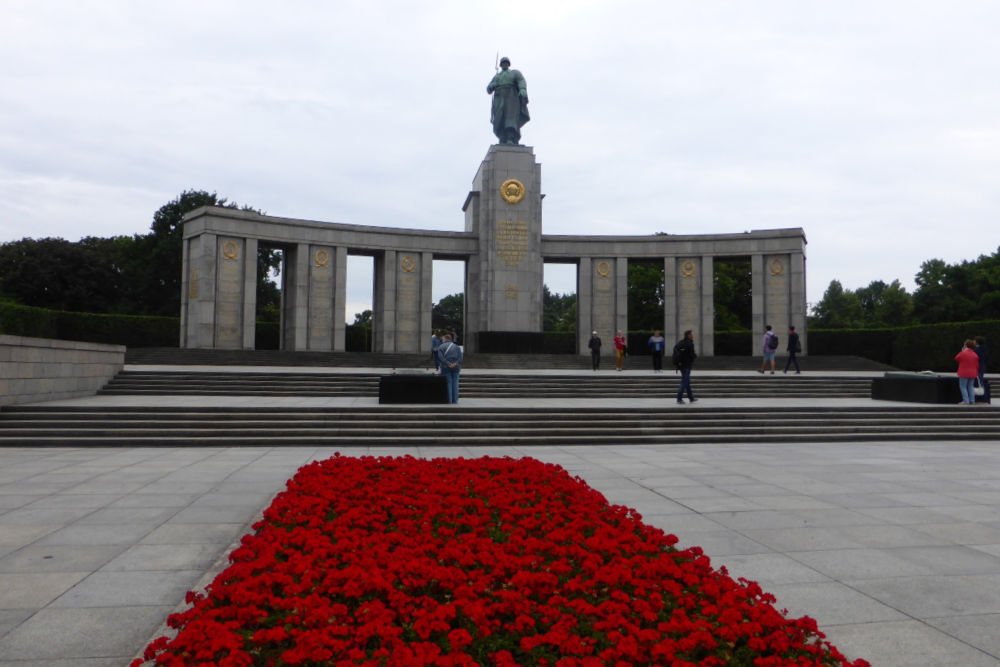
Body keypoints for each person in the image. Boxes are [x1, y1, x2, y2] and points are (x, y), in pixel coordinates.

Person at [487, 57, 529, 145]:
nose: (504, 64)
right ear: (501, 65)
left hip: (511, 97)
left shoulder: (514, 73)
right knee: (499, 118)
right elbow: (489, 89)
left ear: (509, 64)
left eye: (506, 63)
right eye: (503, 63)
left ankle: (510, 137)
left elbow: (521, 81)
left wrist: (522, 89)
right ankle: (502, 137)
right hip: (499, 97)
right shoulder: (497, 76)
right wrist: (493, 85)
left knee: (510, 118)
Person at [437, 334, 463, 404]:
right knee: (455, 383)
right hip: (456, 367)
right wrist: (455, 363)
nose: (442, 340)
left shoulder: (441, 347)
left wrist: (448, 364)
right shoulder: (457, 347)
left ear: (445, 339)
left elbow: (441, 358)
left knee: (448, 383)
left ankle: (449, 400)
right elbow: (460, 357)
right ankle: (455, 400)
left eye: (442, 339)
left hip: (446, 367)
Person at [674, 330, 697, 404]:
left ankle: (691, 398)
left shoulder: (680, 343)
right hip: (687, 365)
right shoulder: (689, 343)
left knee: (687, 381)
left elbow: (675, 351)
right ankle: (679, 398)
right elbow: (692, 355)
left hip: (681, 365)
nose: (693, 335)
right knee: (684, 382)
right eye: (691, 334)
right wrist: (694, 356)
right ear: (688, 335)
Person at [955, 339, 980, 405]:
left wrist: (962, 351)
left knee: (963, 386)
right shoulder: (975, 355)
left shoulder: (963, 353)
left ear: (965, 345)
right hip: (973, 373)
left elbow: (957, 358)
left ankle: (966, 400)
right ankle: (972, 400)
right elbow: (977, 365)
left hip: (964, 372)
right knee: (970, 387)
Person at [974, 335, 990, 403]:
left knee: (979, 382)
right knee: (980, 382)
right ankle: (983, 399)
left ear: (977, 342)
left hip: (978, 367)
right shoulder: (984, 349)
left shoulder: (977, 349)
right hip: (982, 366)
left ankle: (983, 398)